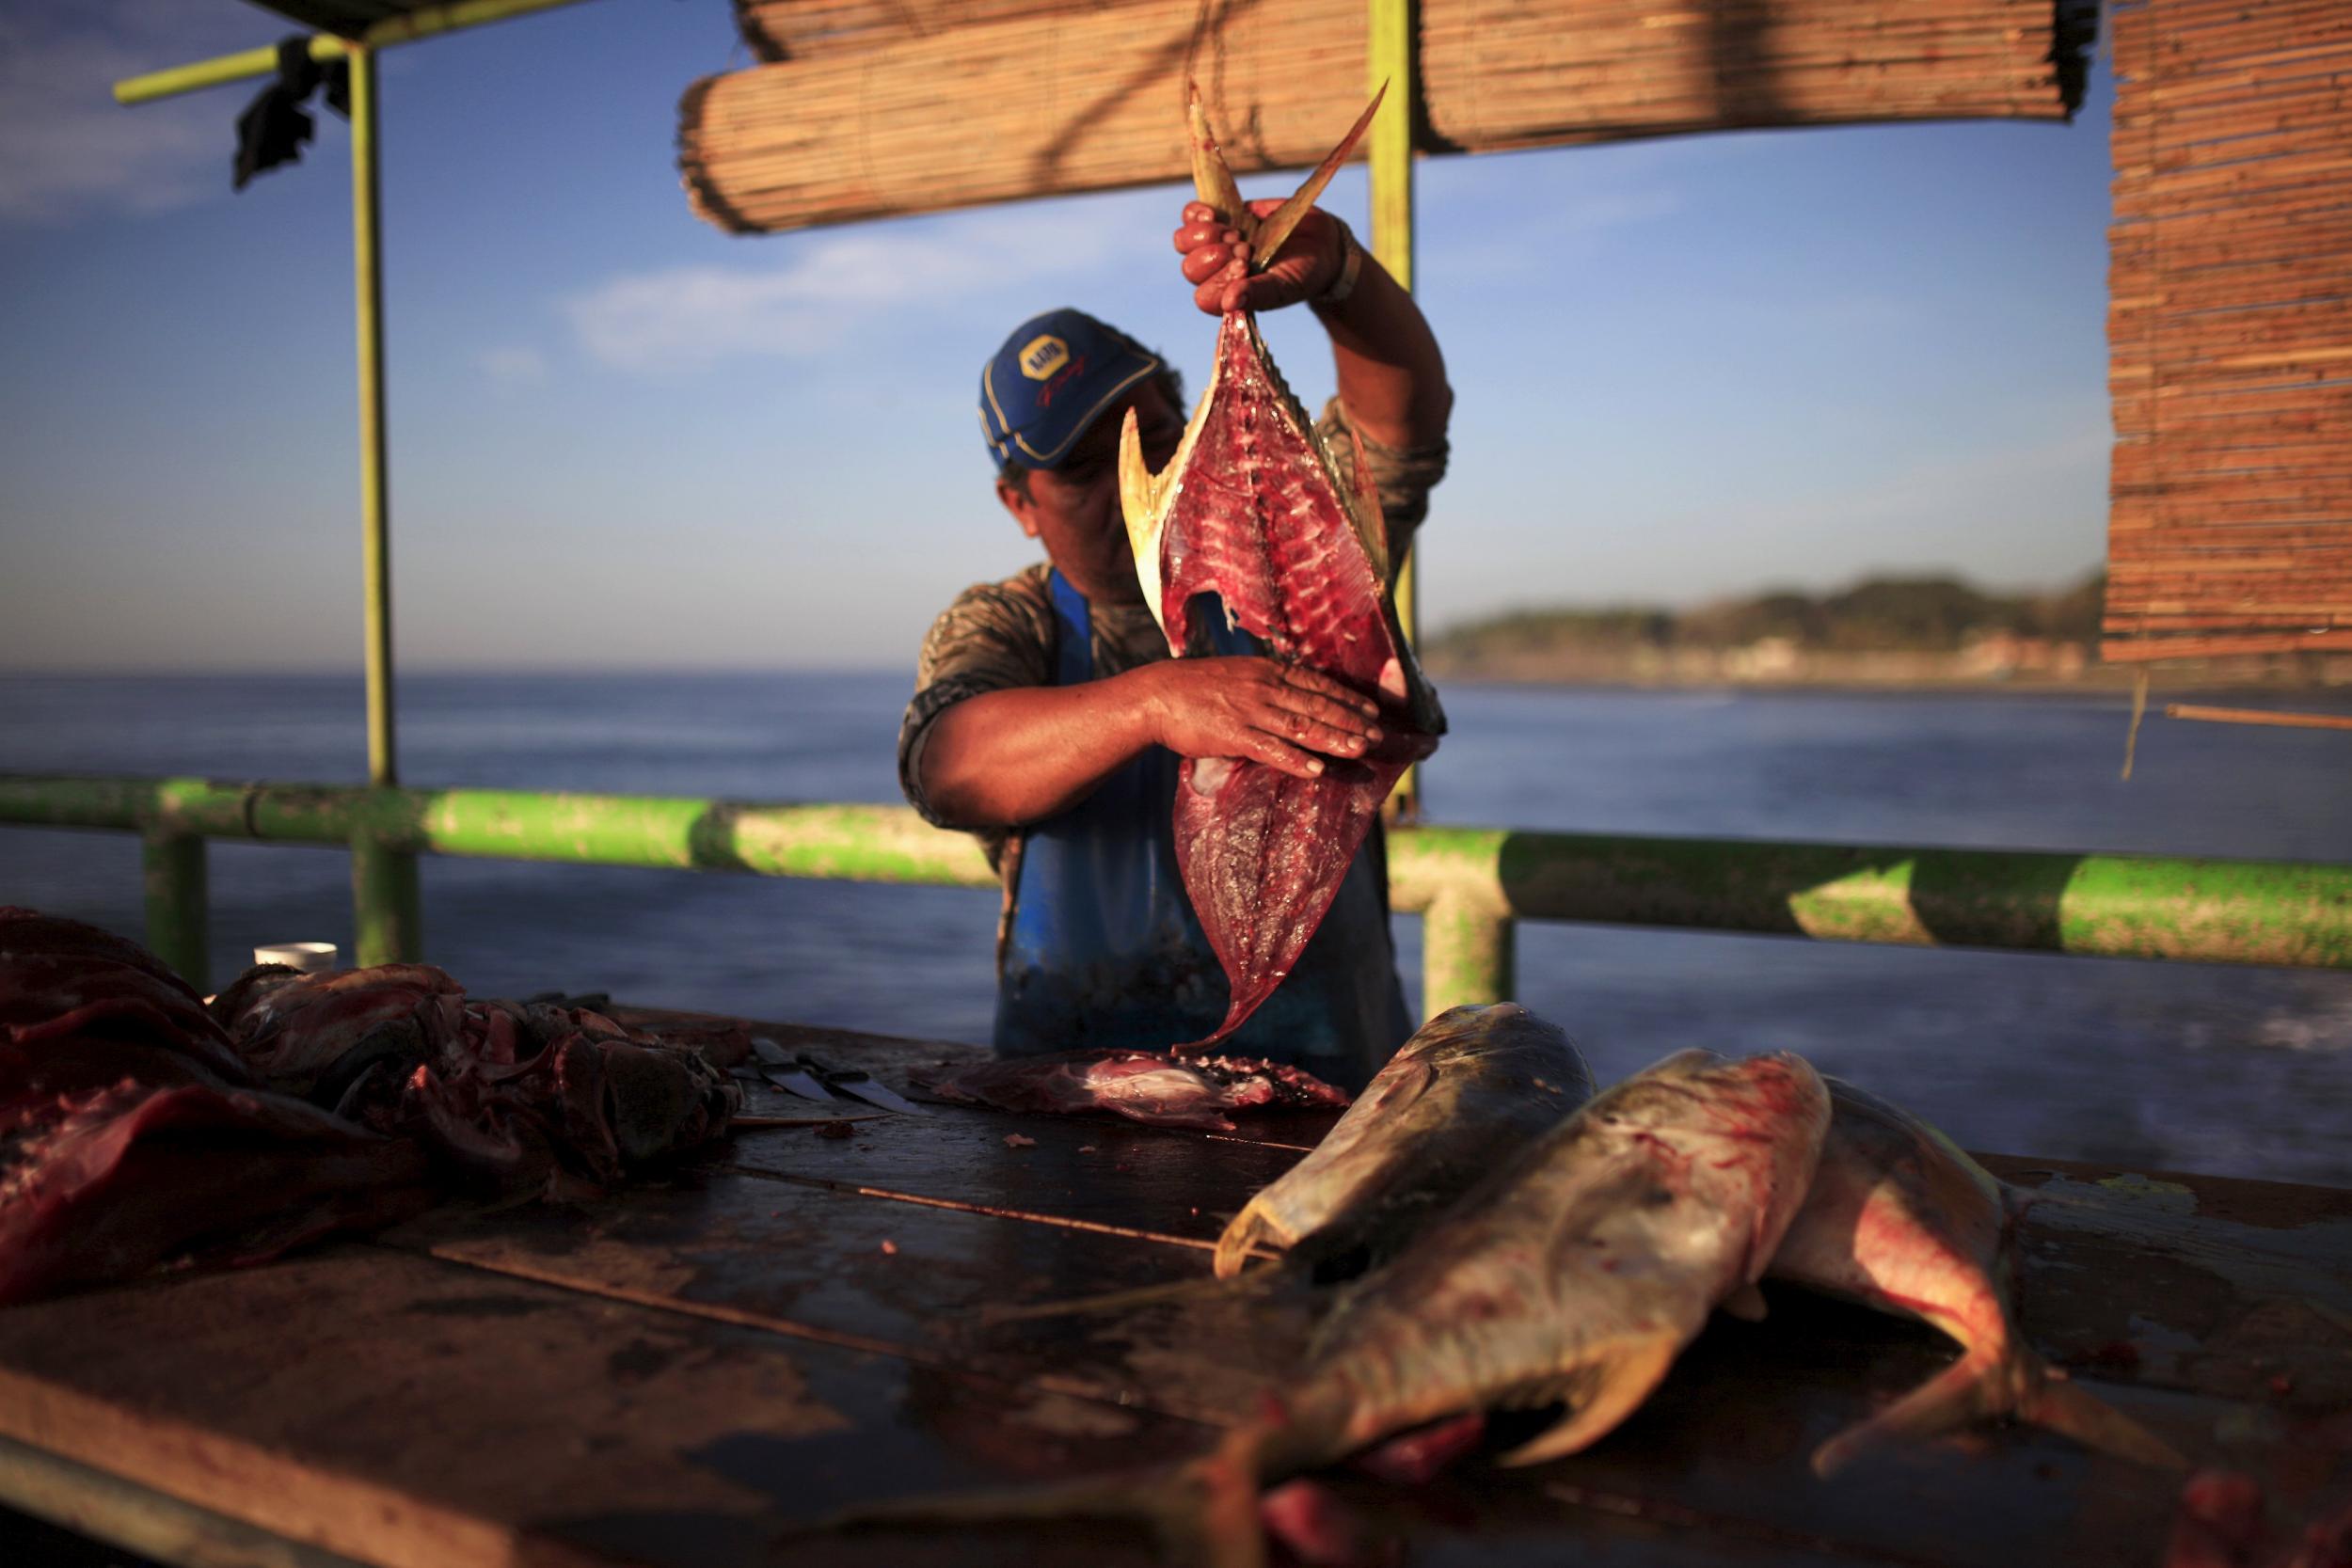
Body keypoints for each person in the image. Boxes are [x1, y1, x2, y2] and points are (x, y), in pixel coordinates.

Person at [896, 195, 1453, 1090]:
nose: (1126, 482)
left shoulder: (1300, 568)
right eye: (1083, 467)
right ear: (1019, 507)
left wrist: (1342, 274)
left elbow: (1403, 428)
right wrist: (1159, 701)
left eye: (1156, 435)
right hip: (1080, 1099)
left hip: (1327, 1095)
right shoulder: (1009, 622)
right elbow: (946, 766)